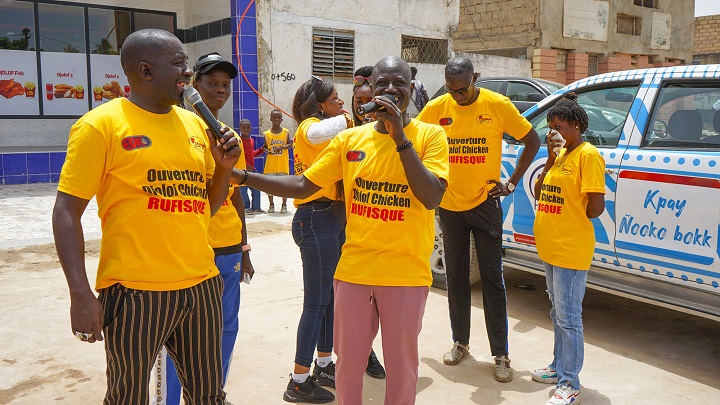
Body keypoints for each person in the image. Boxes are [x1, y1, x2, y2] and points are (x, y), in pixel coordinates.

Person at [236, 55, 449, 405]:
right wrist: (243, 177)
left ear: (411, 89)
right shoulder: (350, 140)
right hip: (353, 271)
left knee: (402, 367)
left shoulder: (430, 136)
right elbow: (304, 185)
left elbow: (431, 196)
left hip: (405, 273)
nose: (390, 89)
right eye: (382, 84)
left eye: (399, 83)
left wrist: (400, 138)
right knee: (348, 364)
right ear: (368, 91)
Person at [51, 29, 240, 404]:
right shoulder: (100, 125)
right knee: (129, 396)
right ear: (145, 70)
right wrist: (79, 293)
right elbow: (66, 211)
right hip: (135, 293)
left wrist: (223, 169)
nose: (187, 73)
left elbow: (206, 207)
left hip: (200, 286)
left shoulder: (195, 126)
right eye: (178, 64)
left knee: (209, 394)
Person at [416, 56, 540, 382]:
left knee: (492, 280)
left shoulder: (497, 105)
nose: (457, 96)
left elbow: (532, 140)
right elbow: (412, 139)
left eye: (462, 89)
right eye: (451, 90)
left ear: (476, 78)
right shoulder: (438, 107)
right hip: (451, 207)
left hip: (485, 203)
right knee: (456, 278)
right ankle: (460, 342)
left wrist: (511, 183)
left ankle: (501, 354)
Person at [153, 51, 255, 405]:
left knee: (226, 329)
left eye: (225, 85)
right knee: (175, 335)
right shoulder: (174, 127)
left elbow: (236, 196)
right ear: (193, 85)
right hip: (189, 251)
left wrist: (244, 248)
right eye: (211, 83)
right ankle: (168, 399)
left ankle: (212, 395)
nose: (220, 90)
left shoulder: (227, 137)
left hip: (226, 251)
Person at [278, 75, 351, 403]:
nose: (341, 102)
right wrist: (348, 118)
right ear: (319, 105)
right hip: (315, 218)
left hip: (332, 216)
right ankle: (298, 379)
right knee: (316, 302)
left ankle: (323, 363)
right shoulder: (309, 126)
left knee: (330, 299)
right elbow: (322, 130)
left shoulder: (330, 130)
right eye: (335, 98)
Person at [531, 92, 605, 405]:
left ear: (575, 125)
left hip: (571, 249)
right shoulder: (561, 155)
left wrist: (572, 212)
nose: (552, 133)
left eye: (558, 126)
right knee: (557, 311)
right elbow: (539, 190)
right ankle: (558, 365)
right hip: (551, 248)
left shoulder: (588, 156)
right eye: (549, 127)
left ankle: (569, 382)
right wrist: (549, 158)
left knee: (569, 317)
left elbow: (595, 208)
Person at [349, 64, 386, 380]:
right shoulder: (345, 133)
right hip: (338, 222)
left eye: (368, 99)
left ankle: (368, 353)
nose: (364, 108)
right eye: (358, 101)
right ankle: (351, 356)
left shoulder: (392, 130)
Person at [263, 109, 291, 213]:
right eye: (274, 117)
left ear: (281, 120)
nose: (276, 119)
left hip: (282, 164)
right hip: (270, 165)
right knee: (269, 186)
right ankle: (271, 204)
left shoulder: (285, 132)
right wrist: (267, 150)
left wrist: (281, 147)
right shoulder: (267, 134)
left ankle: (284, 205)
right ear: (270, 119)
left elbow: (290, 144)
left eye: (278, 117)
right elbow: (264, 147)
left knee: (284, 186)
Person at [239, 119, 266, 214]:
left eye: (248, 128)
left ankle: (256, 207)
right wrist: (246, 165)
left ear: (251, 129)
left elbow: (251, 153)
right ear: (240, 129)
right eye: (243, 128)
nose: (246, 130)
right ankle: (246, 207)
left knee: (256, 188)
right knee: (243, 190)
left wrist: (260, 150)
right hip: (242, 170)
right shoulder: (239, 141)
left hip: (252, 170)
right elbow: (239, 155)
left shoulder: (251, 140)